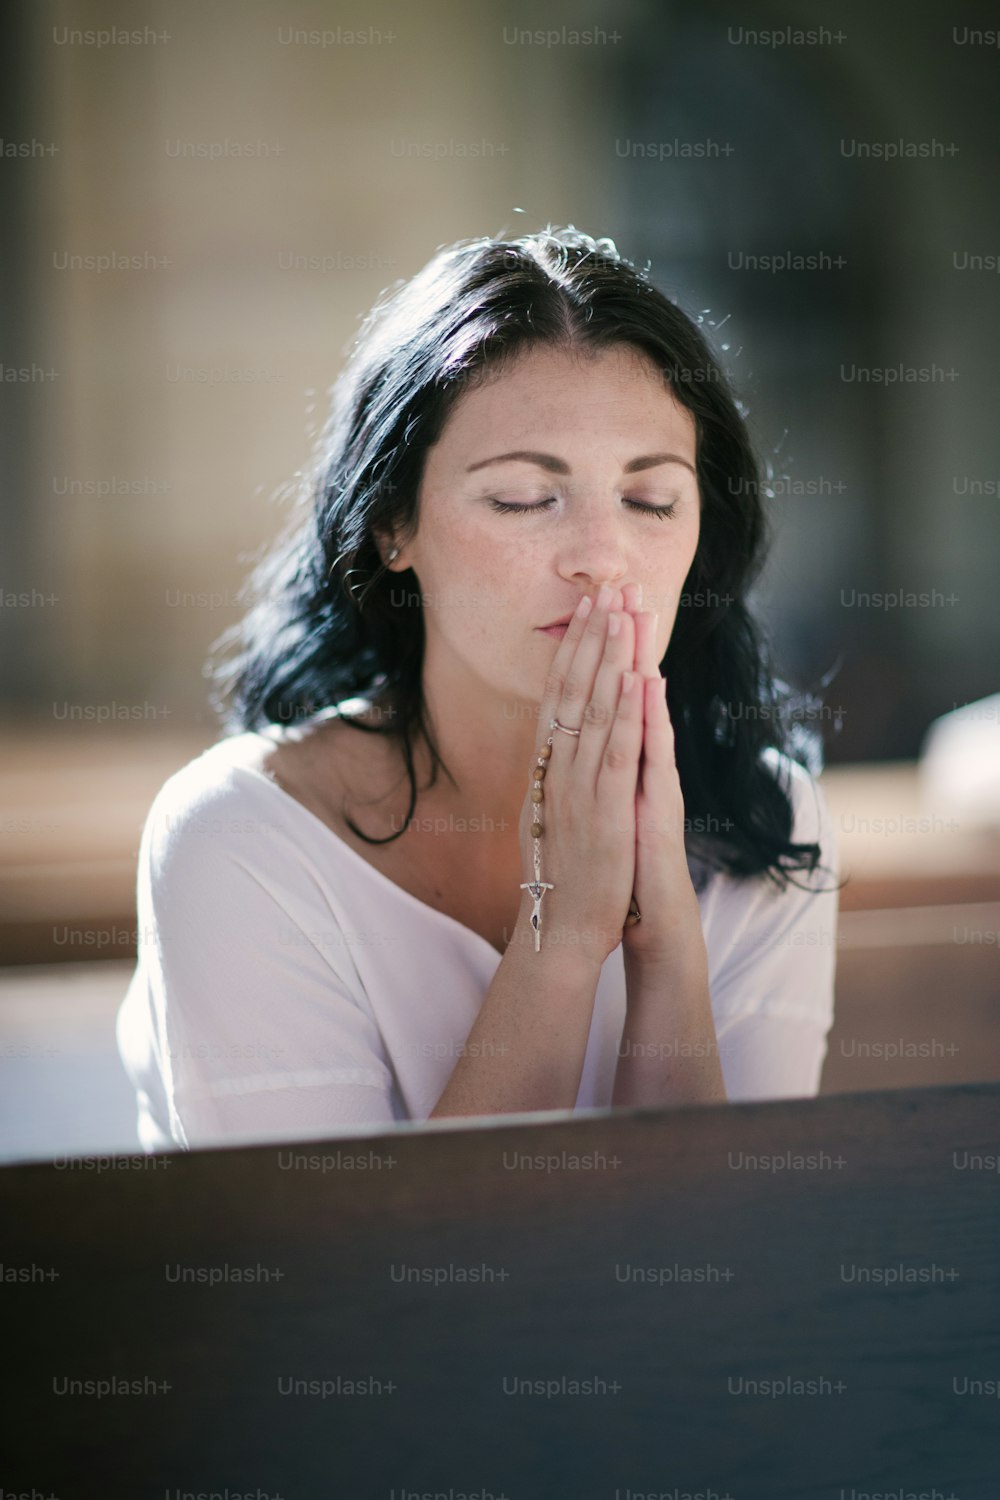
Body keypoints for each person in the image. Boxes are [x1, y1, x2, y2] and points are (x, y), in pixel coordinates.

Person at [116, 225, 843, 1153]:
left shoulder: (764, 820)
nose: (601, 559)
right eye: (522, 499)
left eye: (650, 500)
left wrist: (664, 951)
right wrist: (566, 934)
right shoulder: (239, 838)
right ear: (392, 527)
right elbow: (355, 1286)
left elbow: (714, 1266)